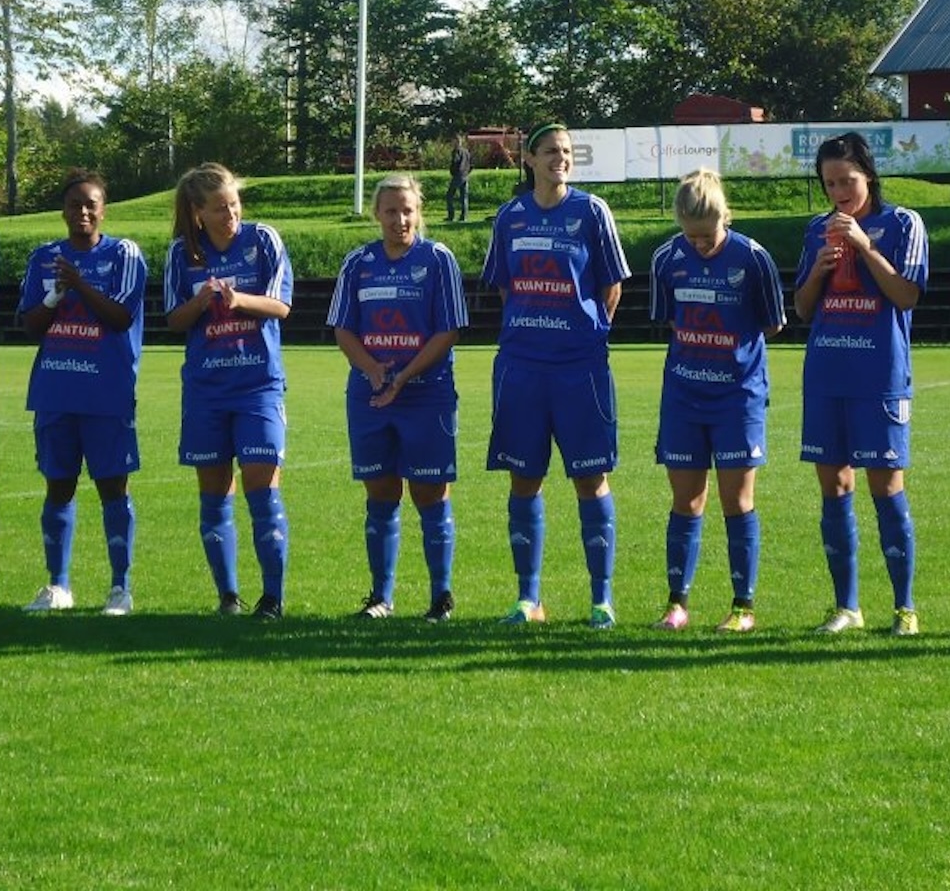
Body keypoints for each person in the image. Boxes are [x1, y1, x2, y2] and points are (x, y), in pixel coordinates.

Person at [482, 123, 630, 628]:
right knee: (525, 478)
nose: (560, 159)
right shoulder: (510, 216)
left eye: (566, 151)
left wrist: (590, 335)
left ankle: (601, 599)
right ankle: (529, 600)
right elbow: (505, 286)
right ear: (530, 159)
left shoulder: (591, 211)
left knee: (590, 477)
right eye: (550, 151)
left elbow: (611, 285)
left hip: (578, 366)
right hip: (522, 365)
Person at [794, 132, 927, 636]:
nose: (839, 192)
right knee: (834, 486)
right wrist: (819, 272)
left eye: (847, 180)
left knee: (886, 487)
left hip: (879, 376)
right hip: (827, 373)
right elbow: (803, 309)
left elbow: (906, 295)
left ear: (868, 175)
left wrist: (864, 247)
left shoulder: (902, 223)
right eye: (830, 183)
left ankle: (904, 608)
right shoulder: (817, 230)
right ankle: (846, 607)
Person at [650, 168, 785, 633]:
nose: (701, 245)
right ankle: (677, 605)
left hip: (737, 396)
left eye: (708, 235)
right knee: (685, 500)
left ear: (725, 217)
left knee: (737, 500)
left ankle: (743, 608)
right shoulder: (666, 258)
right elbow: (670, 319)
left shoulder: (753, 258)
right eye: (692, 236)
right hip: (684, 394)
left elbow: (772, 324)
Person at [327, 174, 466, 622]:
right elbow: (343, 328)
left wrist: (404, 376)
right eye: (390, 211)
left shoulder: (438, 259)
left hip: (426, 395)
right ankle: (381, 597)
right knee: (381, 492)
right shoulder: (358, 263)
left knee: (429, 492)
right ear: (376, 214)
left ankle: (440, 597)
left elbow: (448, 330)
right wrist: (372, 370)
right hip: (370, 396)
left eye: (407, 210)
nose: (400, 219)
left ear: (419, 212)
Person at [165, 163, 293, 620]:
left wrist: (239, 300)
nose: (231, 215)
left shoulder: (263, 240)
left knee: (262, 489)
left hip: (258, 386)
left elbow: (281, 305)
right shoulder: (182, 253)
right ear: (198, 212)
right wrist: (200, 302)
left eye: (235, 205)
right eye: (220, 208)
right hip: (206, 390)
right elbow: (173, 320)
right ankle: (228, 597)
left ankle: (272, 599)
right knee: (215, 495)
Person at [18, 171, 147, 616]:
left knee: (113, 486)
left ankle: (120, 588)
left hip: (106, 390)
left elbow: (121, 317)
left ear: (103, 210)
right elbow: (31, 326)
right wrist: (54, 297)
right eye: (75, 204)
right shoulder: (44, 259)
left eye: (91, 204)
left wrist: (79, 285)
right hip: (55, 389)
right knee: (59, 486)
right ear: (64, 211)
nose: (83, 212)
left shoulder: (124, 254)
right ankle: (58, 585)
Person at [446, 134, 473, 223]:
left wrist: (452, 172)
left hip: (458, 176)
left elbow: (455, 162)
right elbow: (471, 164)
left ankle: (451, 215)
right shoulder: (466, 152)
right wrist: (467, 172)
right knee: (464, 197)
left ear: (456, 141)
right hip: (465, 176)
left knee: (449, 195)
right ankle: (464, 216)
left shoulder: (456, 151)